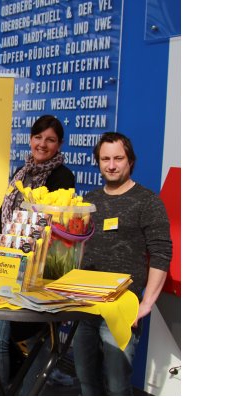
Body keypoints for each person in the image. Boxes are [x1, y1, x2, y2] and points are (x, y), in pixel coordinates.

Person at [73, 132, 172, 395]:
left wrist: (146, 303)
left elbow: (161, 252)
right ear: (98, 162)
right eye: (105, 159)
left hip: (121, 307)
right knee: (85, 380)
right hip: (86, 305)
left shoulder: (147, 201)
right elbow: (77, 248)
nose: (112, 165)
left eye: (118, 158)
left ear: (130, 161)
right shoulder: (89, 201)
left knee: (118, 384)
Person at [0, 115, 75, 395]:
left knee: (22, 337)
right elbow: (3, 214)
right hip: (8, 264)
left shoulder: (62, 176)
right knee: (8, 336)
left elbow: (54, 225)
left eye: (50, 139)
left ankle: (5, 392)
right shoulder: (21, 172)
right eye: (38, 137)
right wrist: (2, 245)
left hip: (38, 270)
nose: (42, 144)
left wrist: (19, 249)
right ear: (30, 139)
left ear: (59, 145)